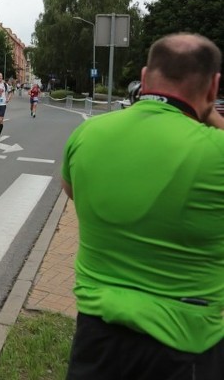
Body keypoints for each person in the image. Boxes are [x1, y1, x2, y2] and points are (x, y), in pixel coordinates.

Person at [62, 32, 224, 379]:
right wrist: (210, 113)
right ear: (213, 87)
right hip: (185, 345)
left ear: (146, 77)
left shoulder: (88, 134)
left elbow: (72, 191)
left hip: (96, 341)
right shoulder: (216, 150)